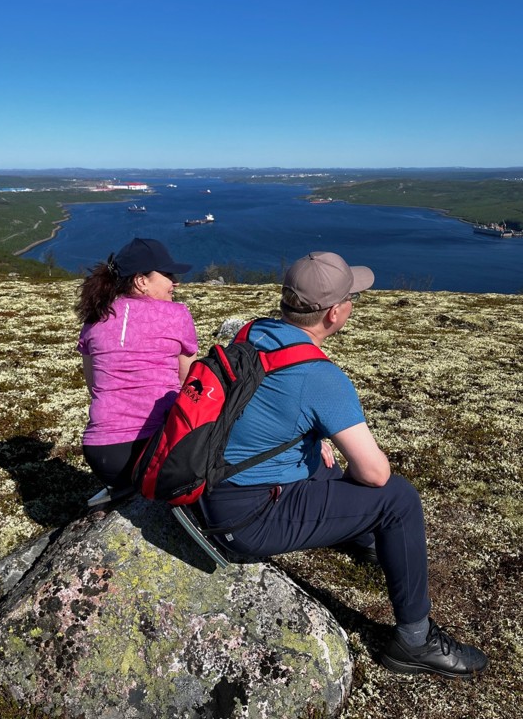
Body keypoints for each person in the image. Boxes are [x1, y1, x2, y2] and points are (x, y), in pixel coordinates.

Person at [199, 251, 488, 679]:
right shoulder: (319, 376)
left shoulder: (252, 333)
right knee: (399, 499)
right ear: (335, 312)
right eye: (353, 296)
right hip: (244, 520)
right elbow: (375, 474)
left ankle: (370, 538)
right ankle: (415, 640)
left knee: (325, 461)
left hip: (210, 486)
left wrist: (316, 445)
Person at [76, 237, 198, 493]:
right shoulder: (177, 314)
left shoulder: (96, 316)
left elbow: (93, 385)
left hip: (101, 454)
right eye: (167, 274)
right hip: (156, 445)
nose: (174, 281)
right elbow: (189, 382)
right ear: (141, 281)